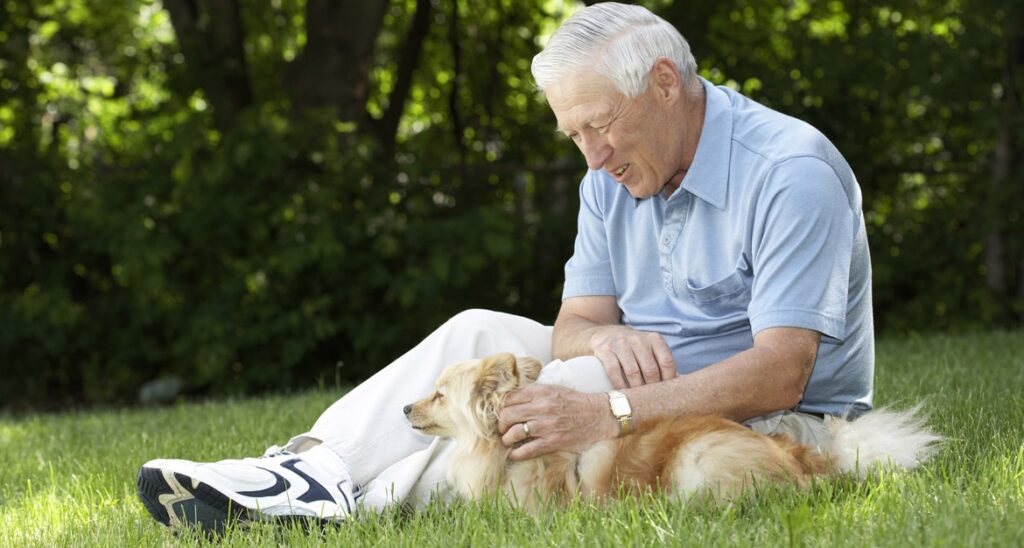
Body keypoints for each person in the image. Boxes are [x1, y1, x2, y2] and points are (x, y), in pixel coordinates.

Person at [137, 2, 873, 530]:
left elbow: (785, 372)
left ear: (664, 83)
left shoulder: (789, 171)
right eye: (574, 133)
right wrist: (606, 340)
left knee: (565, 388)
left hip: (775, 421)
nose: (592, 155)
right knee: (476, 330)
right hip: (645, 382)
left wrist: (603, 405)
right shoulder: (608, 179)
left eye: (602, 124)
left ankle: (340, 506)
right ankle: (310, 467)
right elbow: (576, 323)